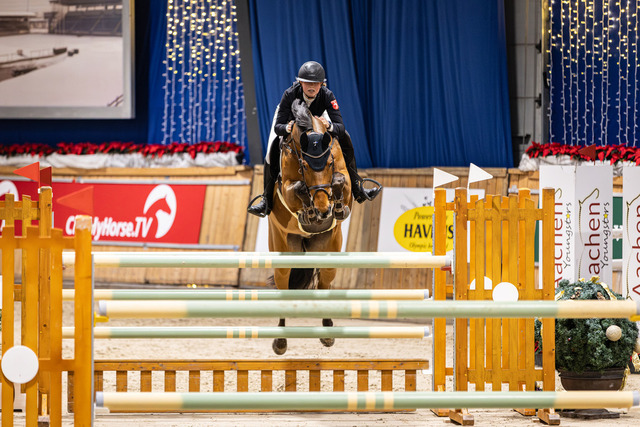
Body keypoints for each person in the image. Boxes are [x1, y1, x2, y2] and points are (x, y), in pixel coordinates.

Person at [247, 61, 380, 217]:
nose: (312, 87)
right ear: (300, 83)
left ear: (322, 84)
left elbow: (340, 126)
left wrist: (329, 126)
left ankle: (358, 187)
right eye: (308, 83)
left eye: (316, 83)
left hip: (319, 115)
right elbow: (278, 127)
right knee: (271, 150)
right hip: (290, 119)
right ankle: (266, 199)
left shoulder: (327, 95)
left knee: (346, 137)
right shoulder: (289, 94)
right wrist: (287, 128)